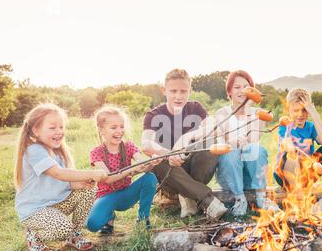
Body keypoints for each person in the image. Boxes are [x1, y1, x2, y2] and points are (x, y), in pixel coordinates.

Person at [14, 103, 108, 251]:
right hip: (34, 211)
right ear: (35, 130)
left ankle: (74, 235)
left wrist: (81, 184)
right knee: (62, 227)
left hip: (55, 204)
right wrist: (91, 173)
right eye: (52, 128)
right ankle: (35, 235)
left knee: (88, 190)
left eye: (61, 127)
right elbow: (58, 173)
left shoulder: (58, 152)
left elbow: (65, 181)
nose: (59, 132)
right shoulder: (34, 150)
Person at [141, 68, 228, 219]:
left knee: (210, 143)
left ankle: (188, 196)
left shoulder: (195, 107)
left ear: (190, 91)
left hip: (194, 171)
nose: (178, 96)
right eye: (173, 91)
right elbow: (146, 144)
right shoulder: (153, 115)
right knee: (156, 160)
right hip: (171, 176)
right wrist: (168, 155)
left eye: (183, 91)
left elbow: (215, 129)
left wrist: (187, 137)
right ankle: (207, 200)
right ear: (164, 90)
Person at [215, 70, 278, 216]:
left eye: (246, 87)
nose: (242, 91)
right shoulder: (222, 114)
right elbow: (219, 144)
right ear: (229, 91)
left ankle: (262, 197)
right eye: (237, 87)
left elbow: (254, 140)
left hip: (251, 176)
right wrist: (232, 142)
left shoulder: (258, 113)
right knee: (230, 152)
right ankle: (239, 199)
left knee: (257, 149)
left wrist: (248, 107)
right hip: (229, 176)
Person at [86, 106, 160, 233]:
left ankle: (143, 218)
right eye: (113, 127)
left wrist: (152, 162)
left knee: (150, 177)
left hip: (126, 194)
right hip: (106, 196)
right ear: (101, 130)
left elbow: (142, 163)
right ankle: (109, 216)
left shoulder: (129, 146)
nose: (119, 131)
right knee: (92, 225)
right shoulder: (96, 152)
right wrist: (130, 170)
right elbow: (107, 178)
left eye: (121, 126)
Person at [274, 88, 322, 199]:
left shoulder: (310, 127)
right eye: (296, 110)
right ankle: (299, 201)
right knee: (292, 155)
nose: (300, 114)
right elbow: (289, 148)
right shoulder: (285, 125)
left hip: (307, 173)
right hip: (286, 173)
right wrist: (311, 162)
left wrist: (313, 112)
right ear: (289, 110)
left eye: (304, 110)